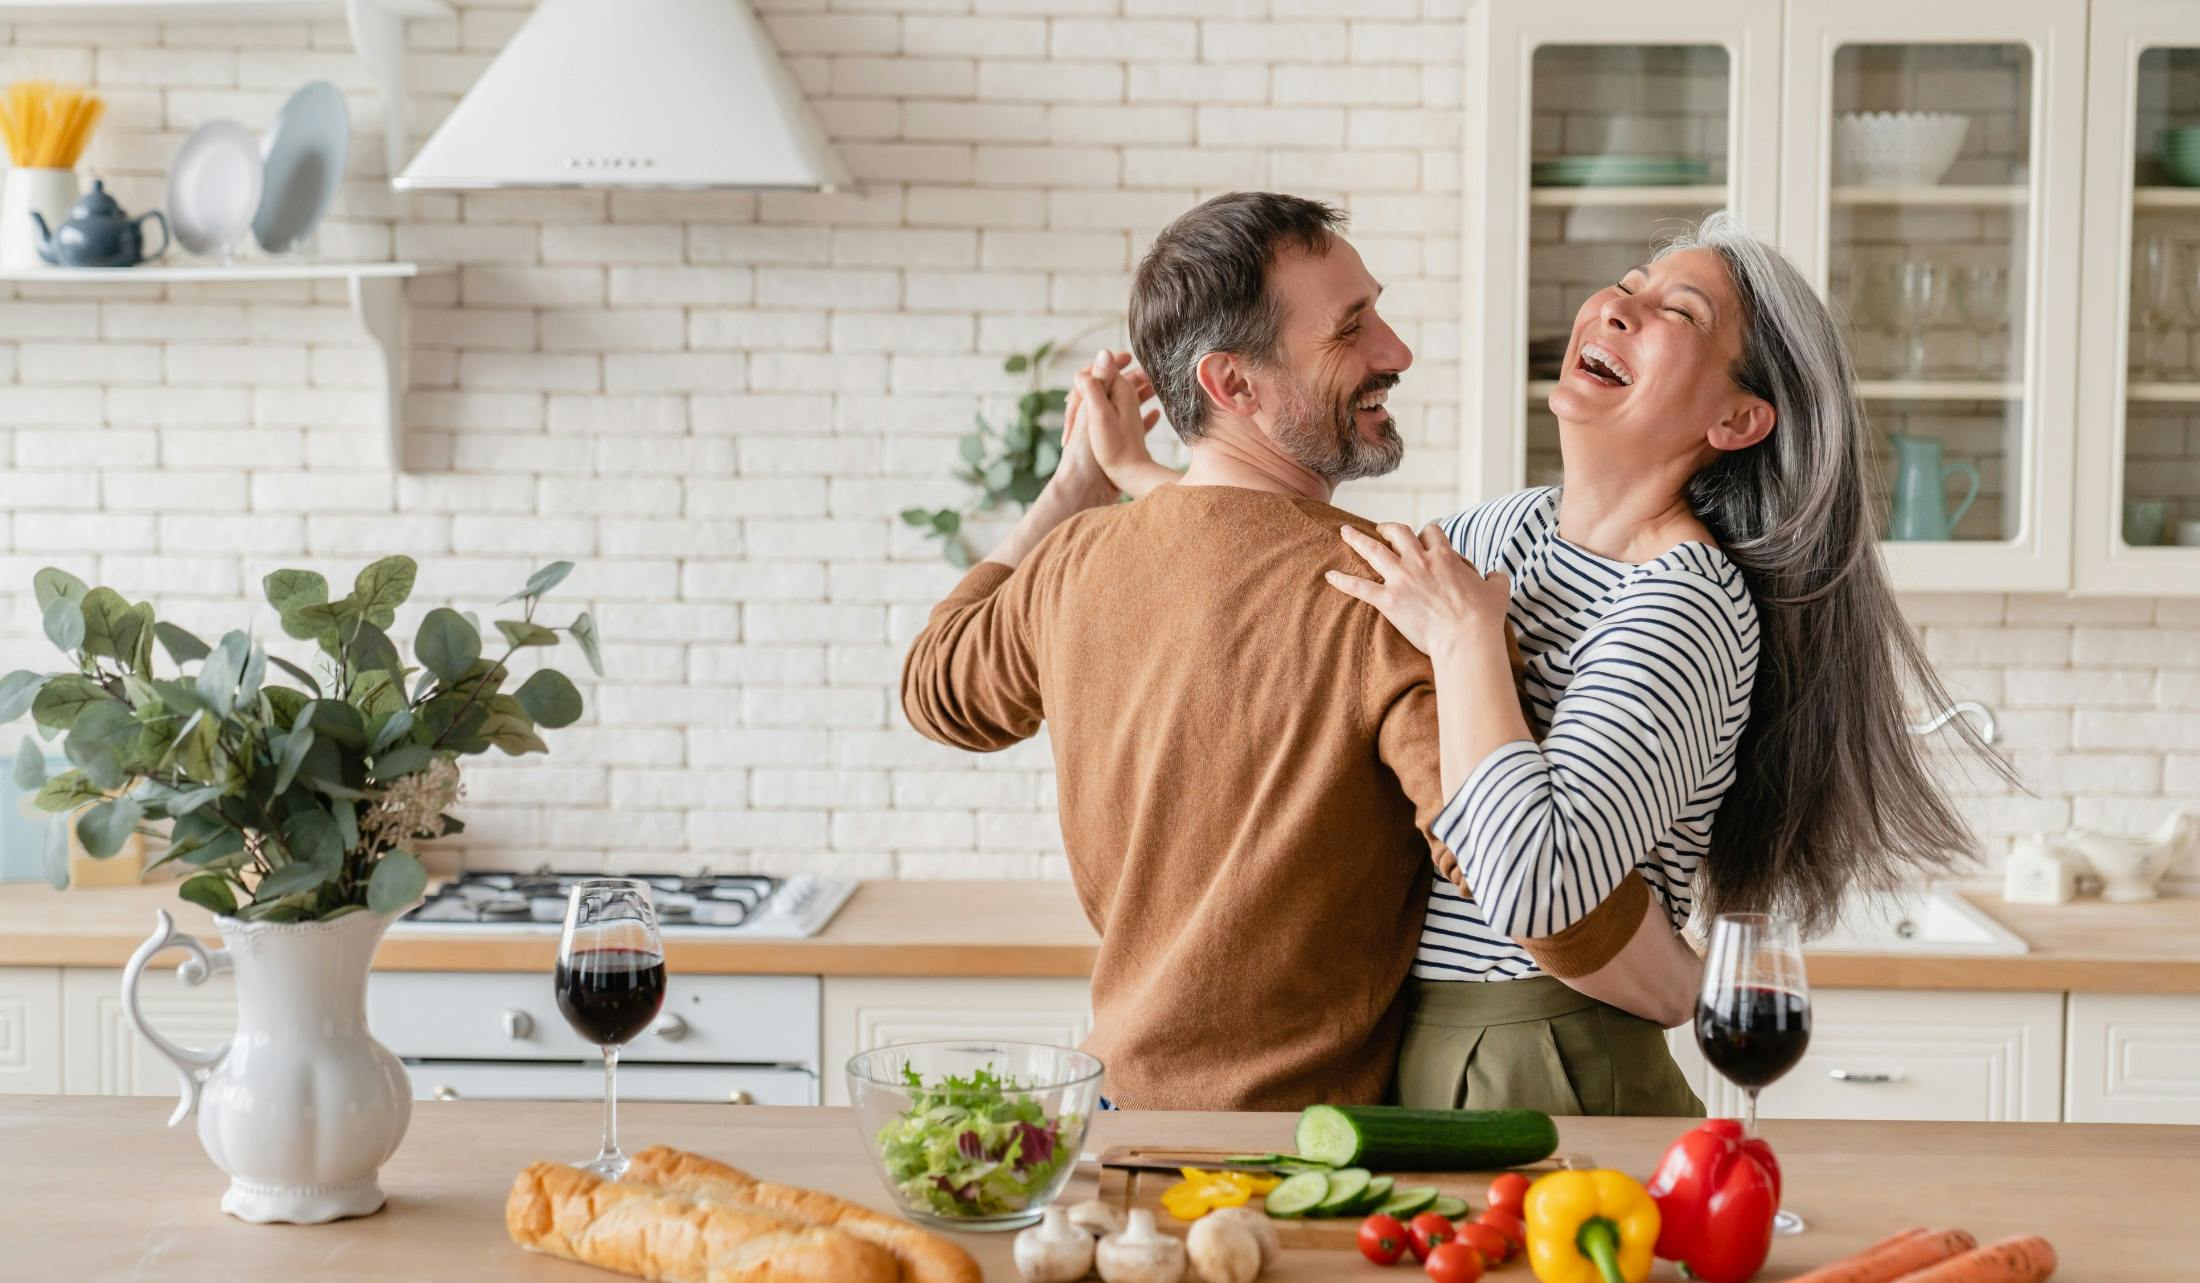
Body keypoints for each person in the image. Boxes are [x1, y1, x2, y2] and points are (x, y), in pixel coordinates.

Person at [1082, 209, 1993, 1113]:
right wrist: (1143, 476)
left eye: (1679, 314)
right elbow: (1312, 569)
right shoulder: (1502, 530)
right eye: (1629, 285)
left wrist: (1469, 642)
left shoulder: (1685, 603)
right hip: (1418, 1042)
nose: (1618, 307)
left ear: (1737, 417)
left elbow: (1536, 884)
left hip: (1551, 1051)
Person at [899, 193, 1694, 1112]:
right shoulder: (1386, 596)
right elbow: (1534, 887)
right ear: (1233, 386)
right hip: (1292, 1154)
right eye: (1351, 330)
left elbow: (936, 687)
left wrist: (1073, 485)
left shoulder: (1074, 562)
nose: (1395, 351)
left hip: (1115, 1118)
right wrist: (1689, 984)